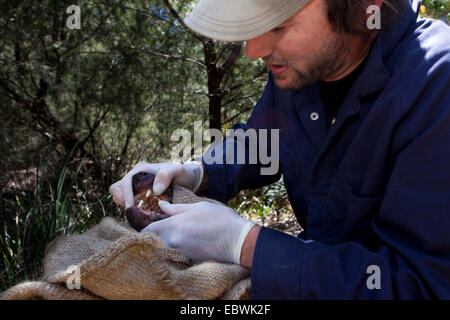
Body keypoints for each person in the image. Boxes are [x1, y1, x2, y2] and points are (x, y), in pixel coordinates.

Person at [109, 0, 450, 299]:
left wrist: (246, 244)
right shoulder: (302, 67)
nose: (253, 50)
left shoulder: (435, 86)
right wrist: (199, 171)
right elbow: (262, 142)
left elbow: (422, 285)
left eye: (278, 25)